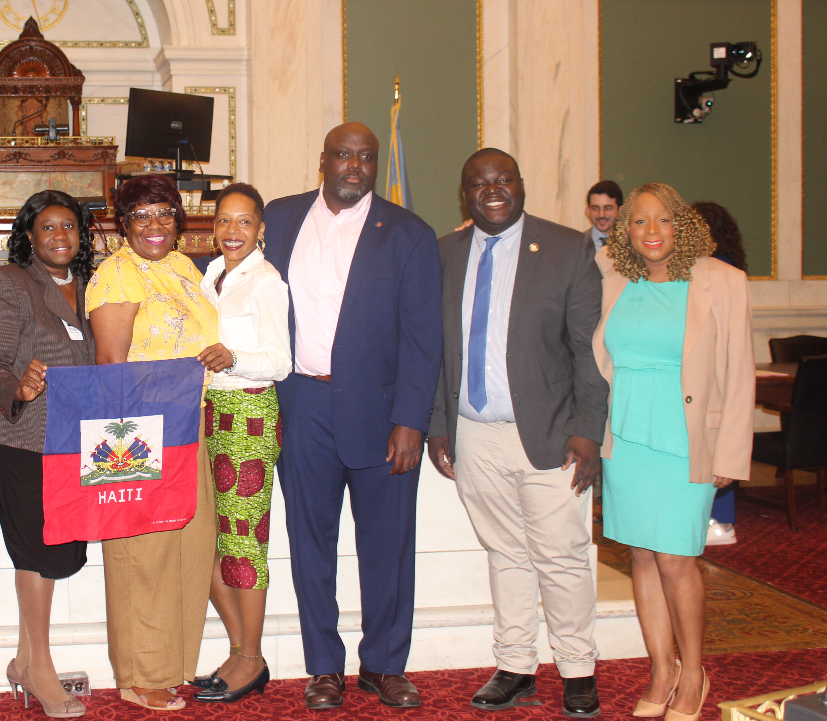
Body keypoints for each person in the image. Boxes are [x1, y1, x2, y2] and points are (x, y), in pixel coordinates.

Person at [263, 122, 441, 710]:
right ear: (324, 160)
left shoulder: (409, 233)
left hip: (384, 410)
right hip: (301, 404)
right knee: (310, 539)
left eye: (366, 157)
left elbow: (423, 337)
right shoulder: (281, 219)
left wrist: (412, 418)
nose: (355, 166)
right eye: (344, 155)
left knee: (387, 543)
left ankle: (384, 664)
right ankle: (324, 667)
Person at [427, 149, 606, 717]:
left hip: (551, 434)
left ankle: (578, 669)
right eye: (478, 182)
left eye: (503, 179)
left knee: (562, 555)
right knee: (505, 553)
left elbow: (589, 350)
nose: (492, 189)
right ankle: (515, 665)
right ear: (465, 194)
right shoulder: (444, 253)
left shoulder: (565, 248)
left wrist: (587, 431)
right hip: (473, 434)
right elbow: (435, 352)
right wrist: (438, 426)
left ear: (521, 185)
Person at [594, 183, 753, 721]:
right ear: (625, 230)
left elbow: (738, 374)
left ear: (681, 225)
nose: (652, 231)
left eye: (663, 220)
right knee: (641, 554)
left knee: (677, 560)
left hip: (686, 439)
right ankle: (661, 669)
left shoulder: (721, 282)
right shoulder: (611, 276)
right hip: (627, 436)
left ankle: (693, 671)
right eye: (639, 222)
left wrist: (730, 455)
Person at [86, 174, 218, 712]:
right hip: (137, 429)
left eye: (164, 212)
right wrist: (136, 445)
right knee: (143, 554)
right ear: (123, 223)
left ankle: (170, 664)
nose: (155, 225)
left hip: (191, 424)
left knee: (187, 547)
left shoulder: (184, 268)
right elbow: (112, 369)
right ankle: (141, 673)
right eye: (141, 215)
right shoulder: (117, 273)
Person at [0, 190, 97, 719]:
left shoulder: (95, 286)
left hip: (80, 441)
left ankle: (24, 661)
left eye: (68, 227)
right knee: (39, 552)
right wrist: (19, 388)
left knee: (62, 553)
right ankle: (42, 669)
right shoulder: (9, 284)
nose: (58, 237)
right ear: (28, 235)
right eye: (47, 228)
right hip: (25, 438)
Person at [192, 183, 291, 703]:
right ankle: (240, 649)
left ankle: (250, 658)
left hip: (248, 412)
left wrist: (233, 358)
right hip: (208, 414)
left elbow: (281, 361)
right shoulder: (212, 273)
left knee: (244, 542)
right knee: (208, 540)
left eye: (244, 222)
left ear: (260, 230)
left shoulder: (267, 283)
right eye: (224, 221)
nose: (233, 231)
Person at [691, 201, 748, 547]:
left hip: (712, 375)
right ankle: (719, 520)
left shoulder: (721, 274)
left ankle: (721, 522)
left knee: (716, 450)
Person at [586, 181, 623, 251]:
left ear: (620, 210)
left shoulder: (632, 243)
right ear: (588, 211)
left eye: (608, 208)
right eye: (595, 208)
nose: (601, 215)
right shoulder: (578, 244)